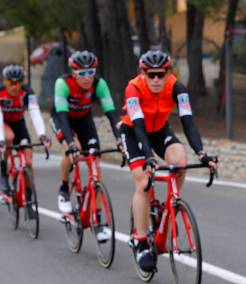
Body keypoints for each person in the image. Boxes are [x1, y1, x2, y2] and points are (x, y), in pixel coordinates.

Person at [120, 50, 217, 272]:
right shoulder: (133, 88)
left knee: (180, 162)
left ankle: (170, 204)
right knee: (144, 181)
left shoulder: (177, 88)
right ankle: (141, 240)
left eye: (160, 75)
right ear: (142, 73)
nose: (156, 79)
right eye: (150, 74)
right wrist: (148, 157)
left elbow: (188, 122)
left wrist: (201, 154)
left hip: (160, 130)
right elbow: (138, 125)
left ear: (168, 74)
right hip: (135, 133)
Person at [51, 51, 123, 243]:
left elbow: (112, 115)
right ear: (73, 73)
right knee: (72, 151)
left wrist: (119, 139)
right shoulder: (62, 83)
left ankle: (98, 222)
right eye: (82, 73)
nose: (87, 77)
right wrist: (71, 145)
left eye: (90, 72)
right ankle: (64, 188)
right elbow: (63, 119)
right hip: (62, 118)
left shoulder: (99, 84)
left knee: (95, 162)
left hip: (83, 119)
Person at [0, 64, 50, 198]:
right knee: (9, 138)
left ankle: (28, 195)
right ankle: (4, 172)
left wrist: (42, 135)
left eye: (18, 83)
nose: (15, 86)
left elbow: (35, 114)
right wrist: (0, 140)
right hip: (1, 121)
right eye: (11, 83)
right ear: (5, 81)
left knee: (28, 161)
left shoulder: (28, 92)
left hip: (18, 122)